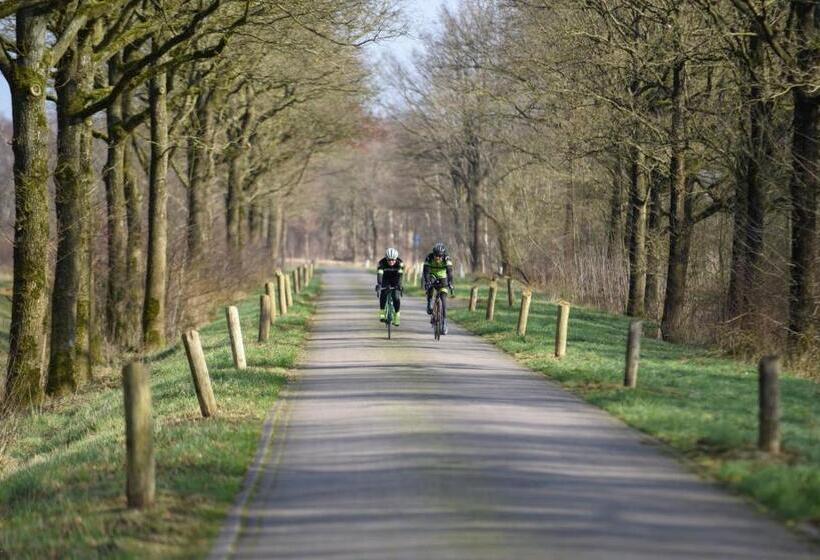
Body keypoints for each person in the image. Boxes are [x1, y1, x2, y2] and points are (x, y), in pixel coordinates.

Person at [422, 242, 454, 334]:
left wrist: (451, 283)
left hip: (443, 277)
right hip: (432, 275)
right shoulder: (429, 258)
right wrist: (427, 282)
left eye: (440, 256)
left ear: (443, 255)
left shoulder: (447, 259)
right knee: (430, 285)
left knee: (443, 299)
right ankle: (429, 302)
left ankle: (444, 322)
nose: (438, 258)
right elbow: (426, 272)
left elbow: (450, 272)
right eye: (436, 255)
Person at [375, 247, 404, 326]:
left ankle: (397, 316)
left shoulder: (400, 263)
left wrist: (399, 286)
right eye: (389, 260)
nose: (391, 262)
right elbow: (380, 275)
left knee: (396, 297)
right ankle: (382, 313)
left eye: (393, 260)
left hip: (395, 279)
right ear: (386, 259)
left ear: (396, 259)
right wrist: (379, 285)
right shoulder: (381, 263)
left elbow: (400, 276)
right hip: (385, 279)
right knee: (383, 293)